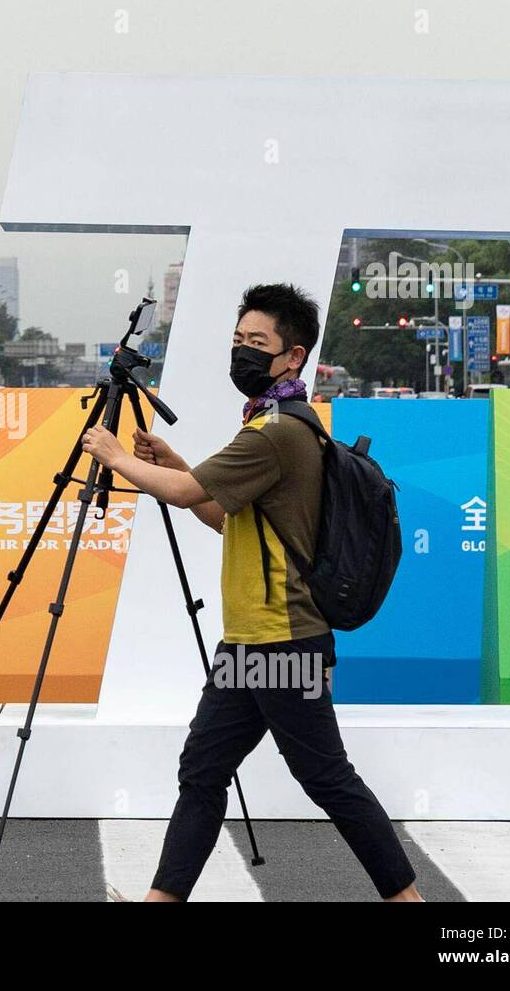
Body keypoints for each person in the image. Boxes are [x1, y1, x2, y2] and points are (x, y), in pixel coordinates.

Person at [81, 283, 423, 903]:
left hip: (283, 641)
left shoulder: (277, 433)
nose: (242, 351)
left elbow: (187, 498)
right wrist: (176, 462)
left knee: (326, 778)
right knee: (204, 771)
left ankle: (408, 900)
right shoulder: (274, 424)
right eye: (238, 339)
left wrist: (114, 454)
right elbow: (220, 513)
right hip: (251, 643)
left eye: (256, 342)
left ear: (292, 356)